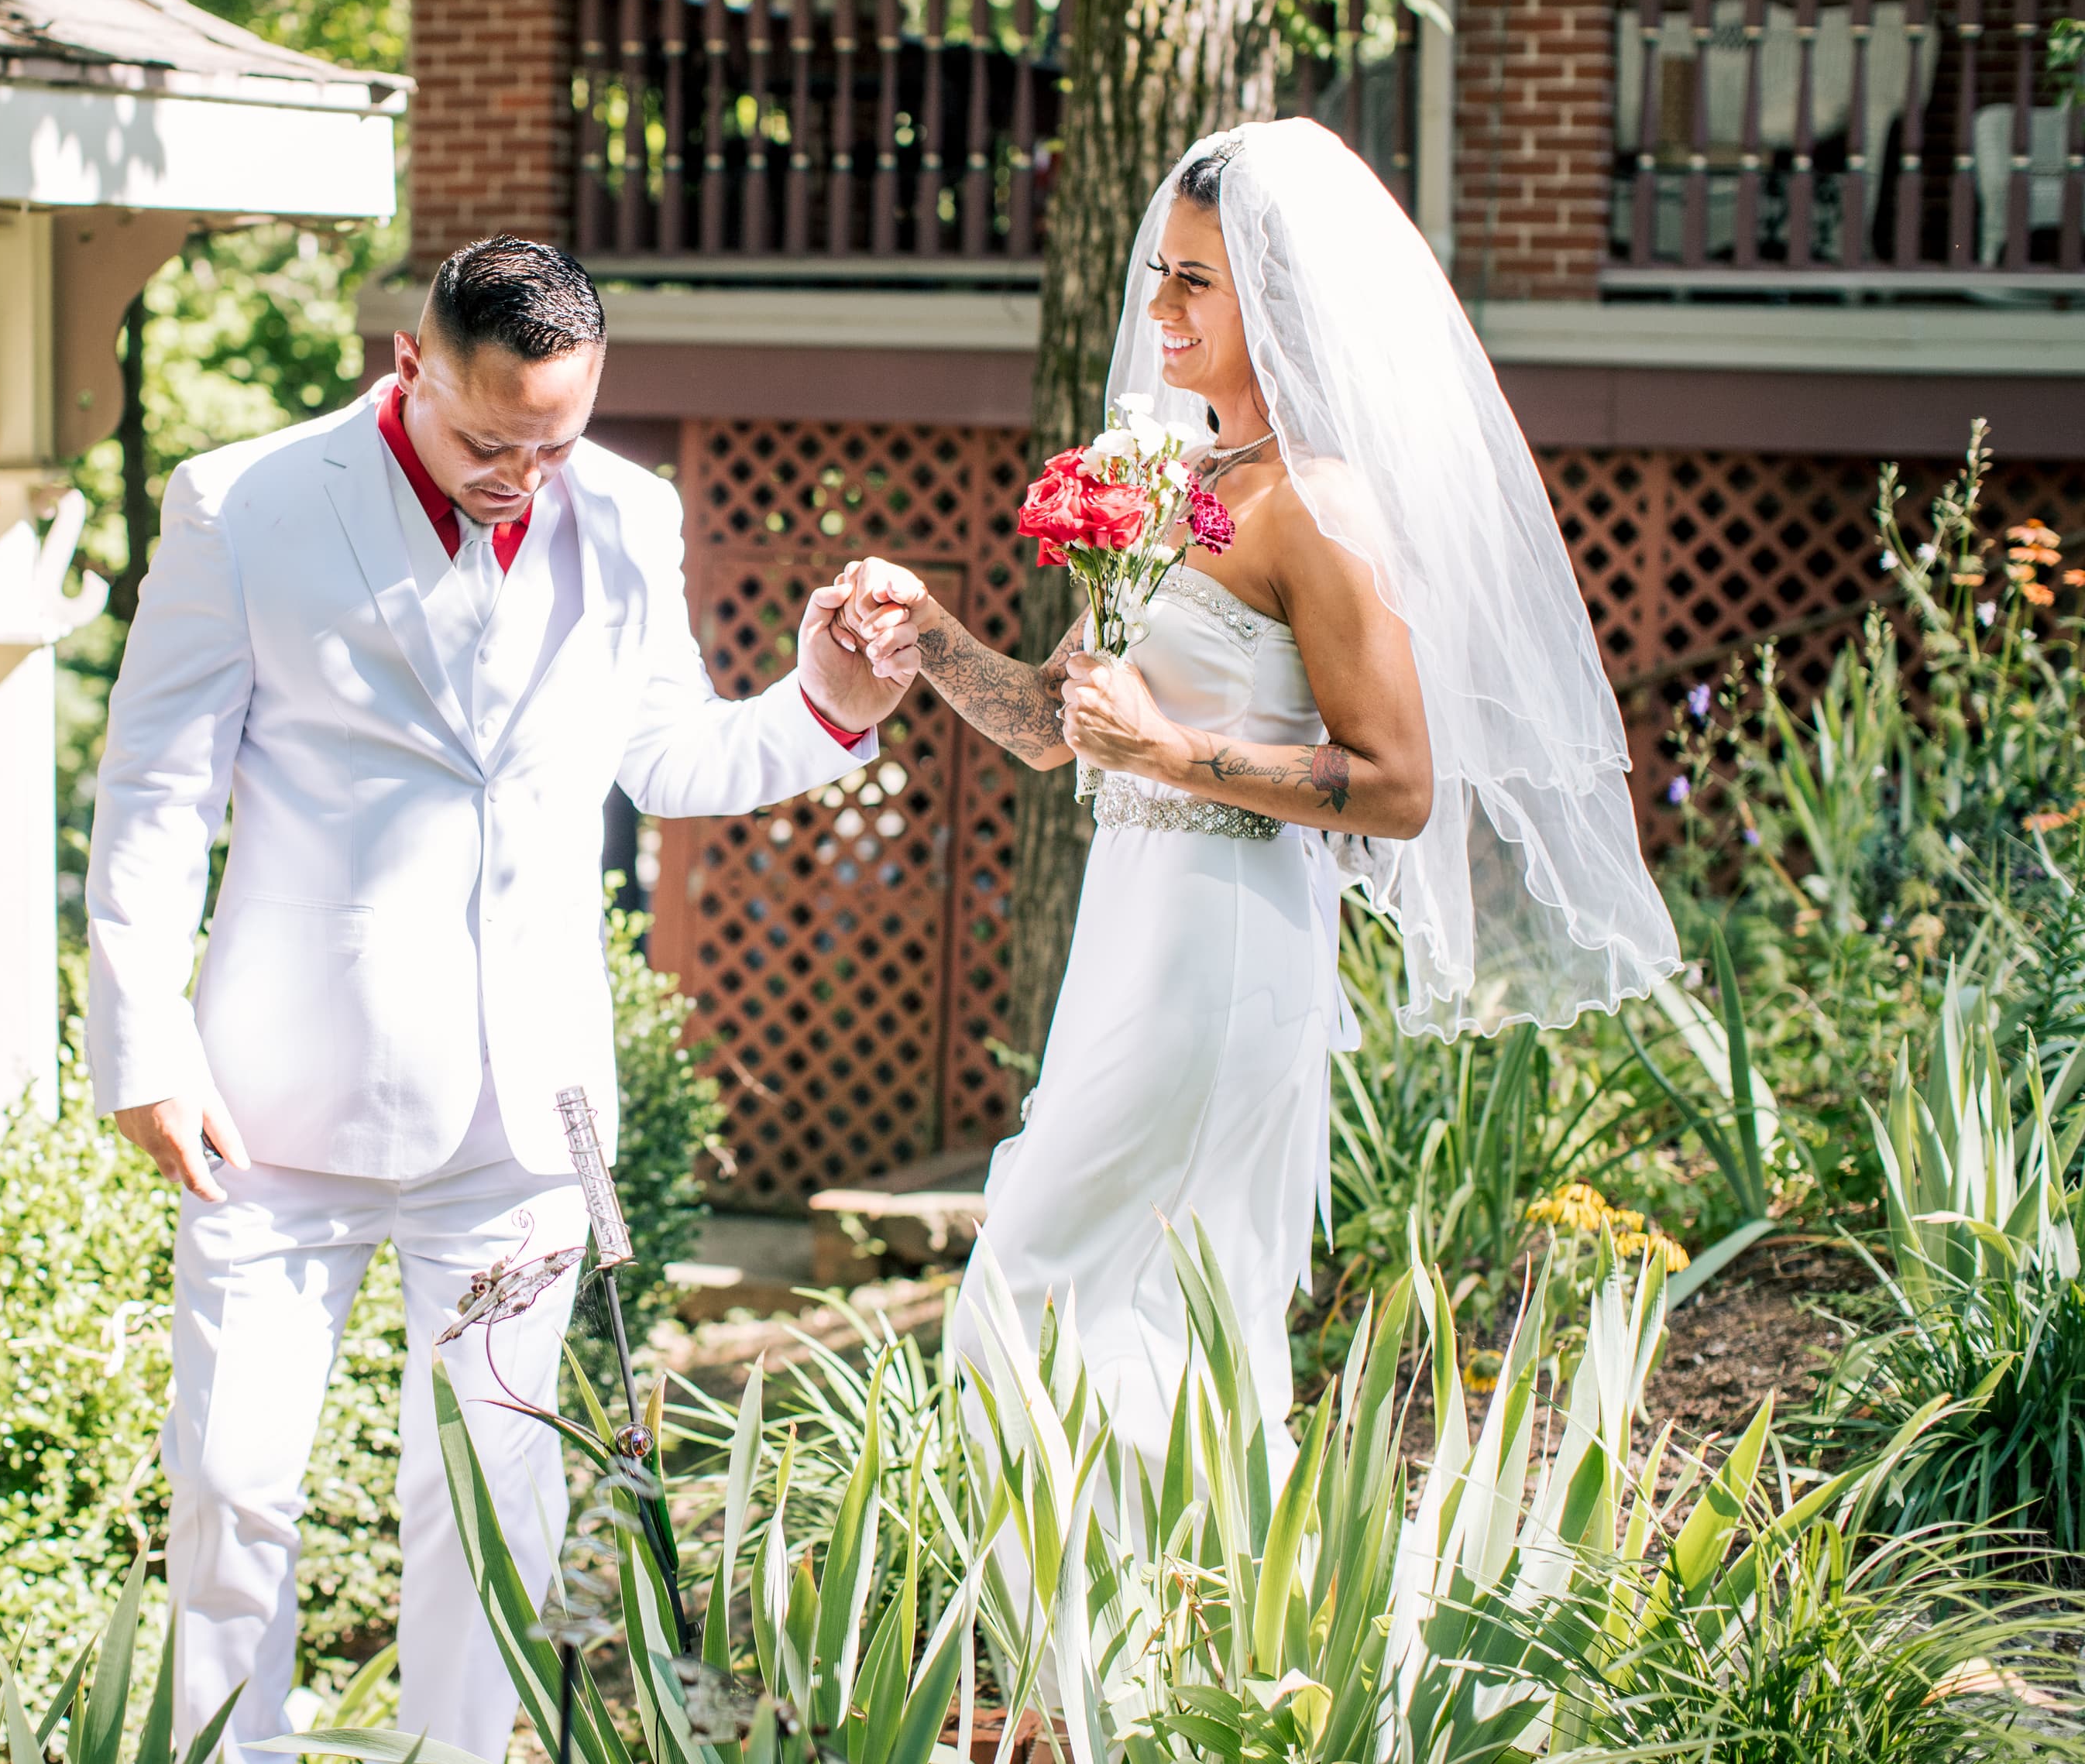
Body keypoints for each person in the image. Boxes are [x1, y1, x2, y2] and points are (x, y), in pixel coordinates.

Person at [84, 236, 914, 1761]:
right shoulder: (242, 502)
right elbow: (154, 786)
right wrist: (140, 1039)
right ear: (411, 365)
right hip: (273, 1102)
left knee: (495, 1501)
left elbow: (664, 757)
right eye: (490, 437)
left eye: (559, 435)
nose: (524, 471)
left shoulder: (629, 512)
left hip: (524, 1112)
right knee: (235, 1487)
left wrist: (828, 708)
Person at [844, 119, 1676, 1467]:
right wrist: (928, 631)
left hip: (1226, 940)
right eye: (1159, 272)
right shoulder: (1167, 478)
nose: (1156, 306)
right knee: (1130, 1315)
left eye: (1195, 282)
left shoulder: (1320, 507)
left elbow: (1398, 785)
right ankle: (1168, 1651)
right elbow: (1063, 731)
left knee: (1035, 1295)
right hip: (1130, 929)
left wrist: (1171, 752)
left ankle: (1141, 1651)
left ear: (1275, 302)